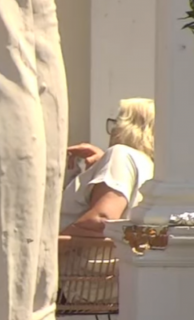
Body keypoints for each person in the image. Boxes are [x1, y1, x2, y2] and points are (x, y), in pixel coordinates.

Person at [60, 98, 155, 236]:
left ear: (128, 127)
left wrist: (51, 244)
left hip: (82, 250)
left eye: (116, 122)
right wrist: (101, 166)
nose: (113, 129)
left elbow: (101, 220)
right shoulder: (152, 167)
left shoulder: (120, 154)